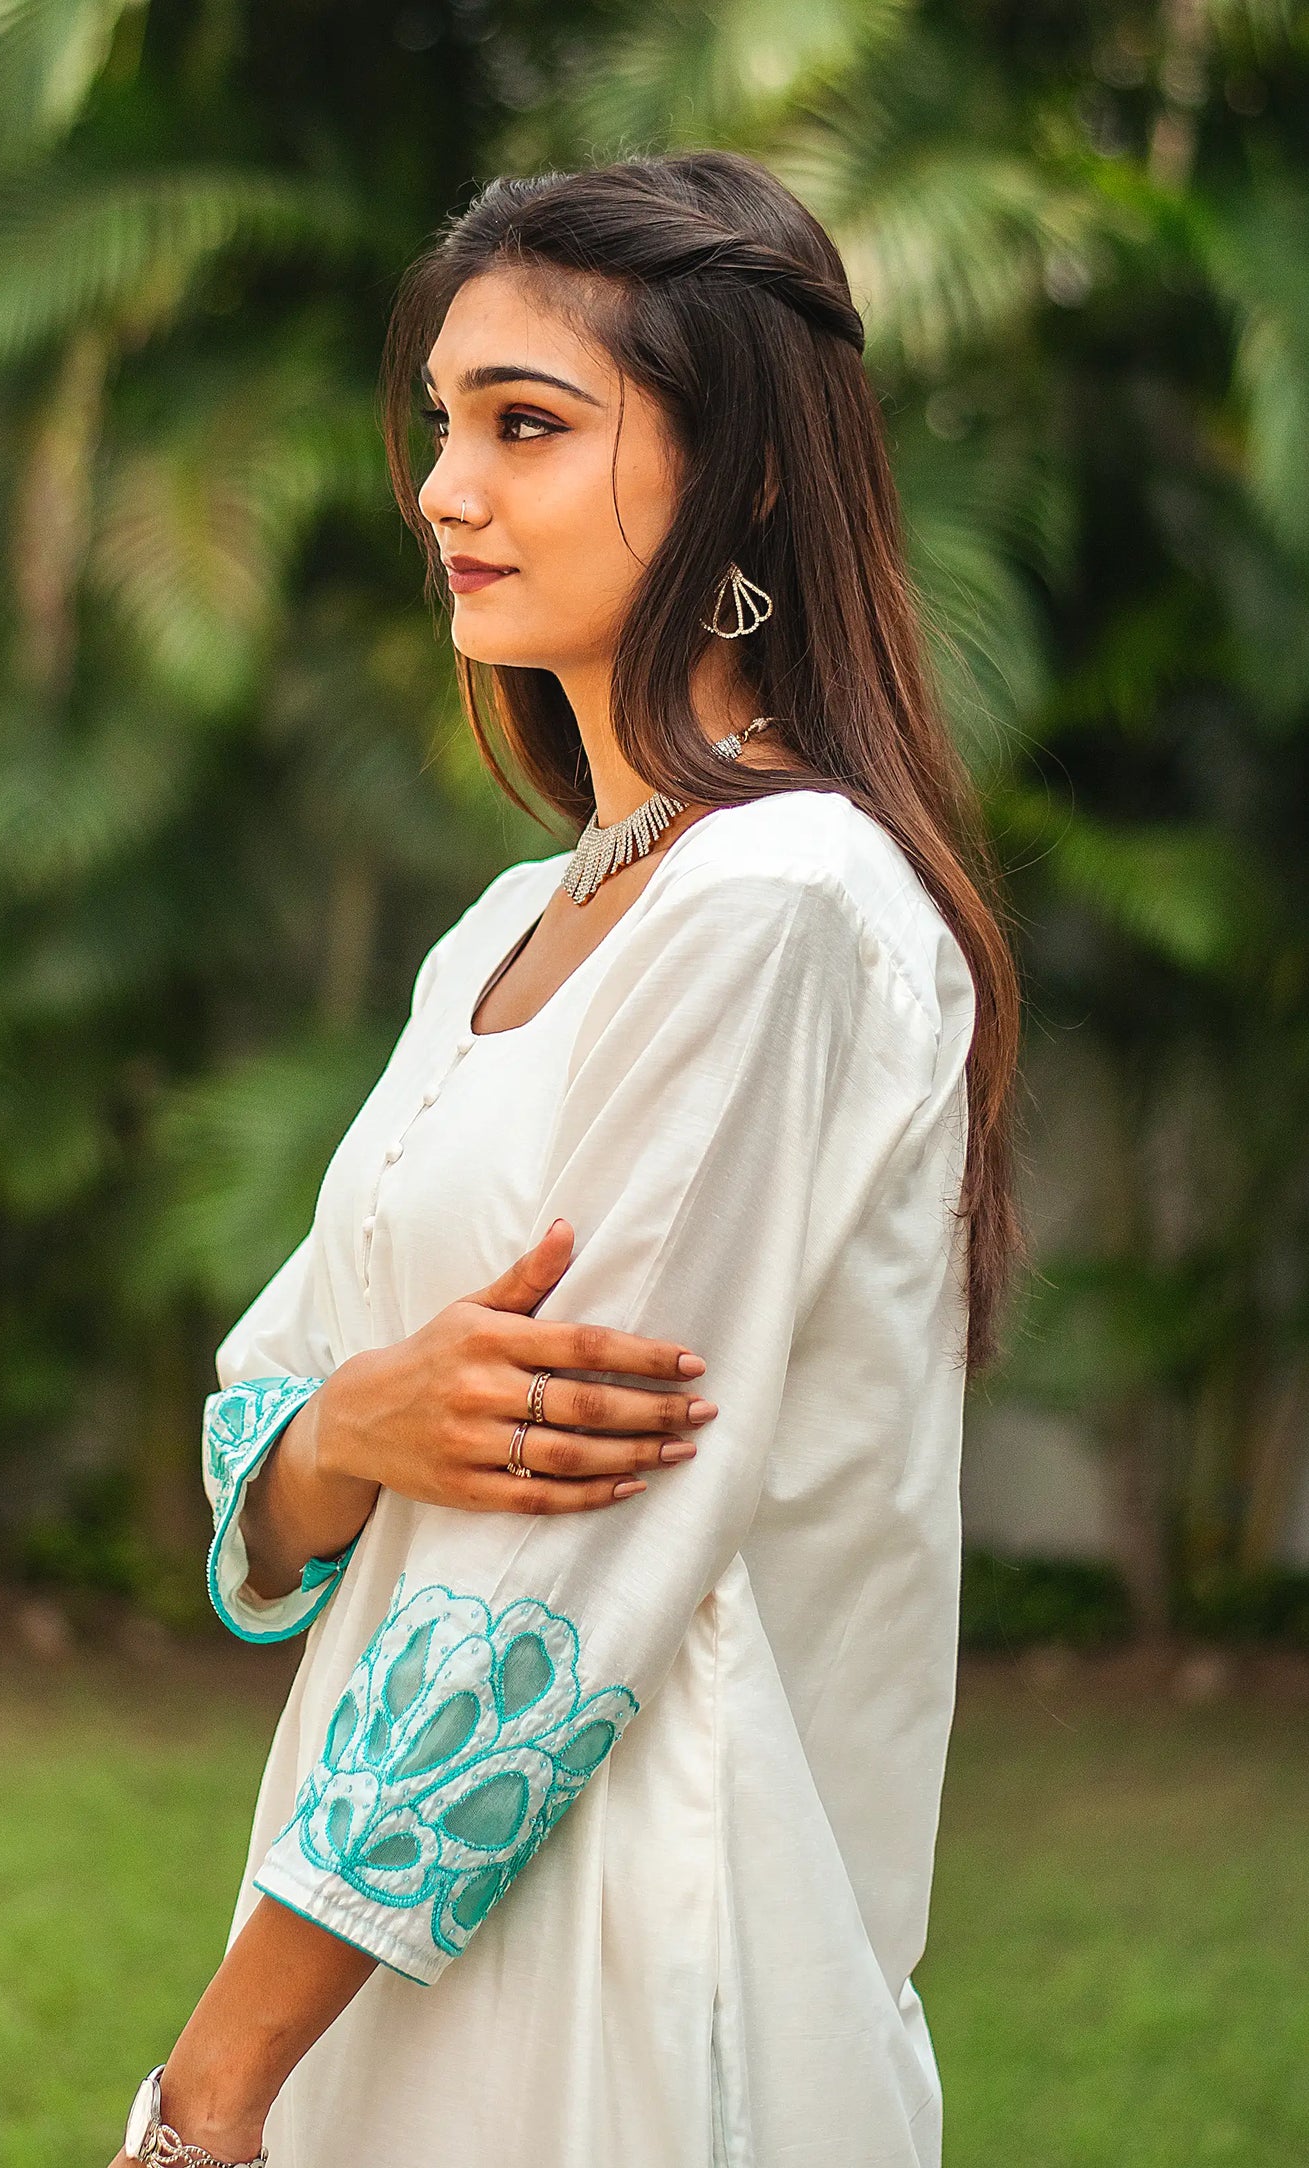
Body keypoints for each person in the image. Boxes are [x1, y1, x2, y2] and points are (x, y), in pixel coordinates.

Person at [110, 149, 1023, 2168]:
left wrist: (206, 2091)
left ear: (750, 474)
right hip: (383, 1941)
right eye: (444, 423)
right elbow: (254, 1436)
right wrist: (355, 1419)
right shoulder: (504, 931)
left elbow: (550, 1586)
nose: (445, 488)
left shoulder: (783, 905)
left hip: (631, 1949)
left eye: (528, 425)